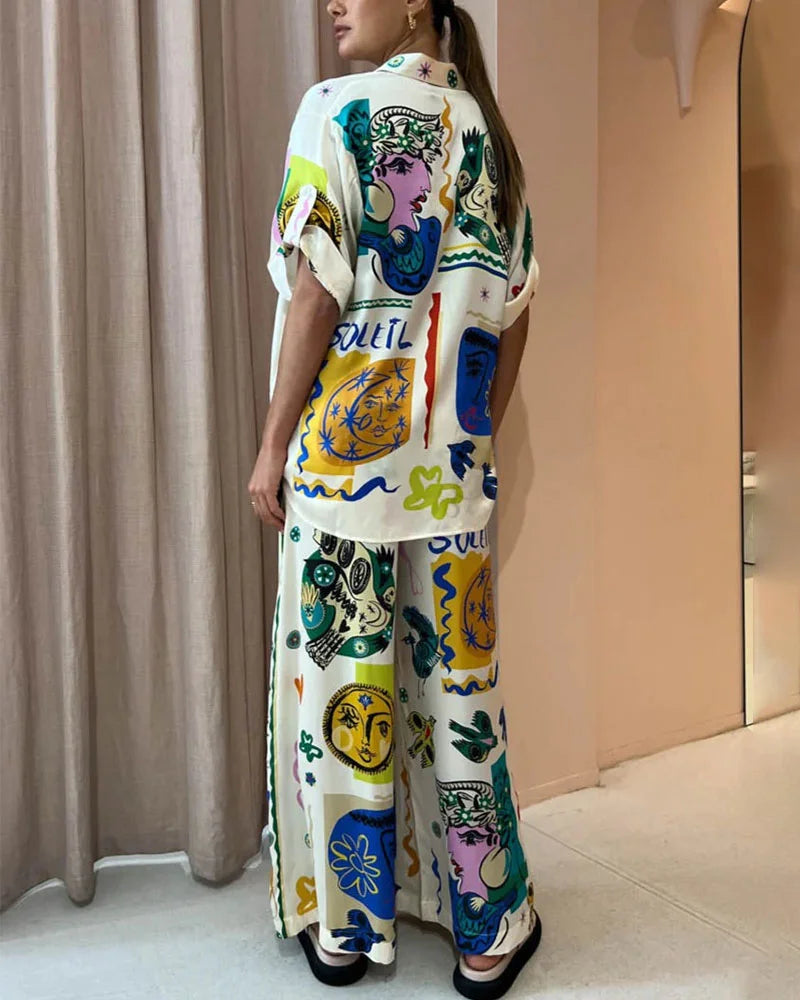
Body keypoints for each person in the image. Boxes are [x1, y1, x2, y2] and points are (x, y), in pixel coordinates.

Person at [248, 2, 541, 997]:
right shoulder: (487, 132)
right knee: (462, 701)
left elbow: (315, 290)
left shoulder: (334, 109)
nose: (331, 4)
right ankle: (486, 933)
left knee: (345, 698)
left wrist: (272, 444)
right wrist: (470, 435)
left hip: (342, 476)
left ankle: (346, 929)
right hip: (448, 474)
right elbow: (514, 312)